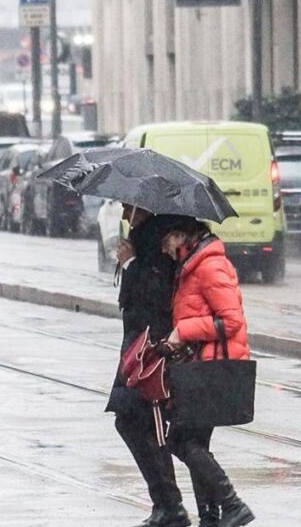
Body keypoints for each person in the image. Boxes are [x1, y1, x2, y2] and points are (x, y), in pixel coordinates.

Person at [160, 216, 255, 527]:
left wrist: (182, 331)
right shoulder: (190, 265)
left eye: (167, 240)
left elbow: (231, 321)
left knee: (181, 440)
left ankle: (232, 504)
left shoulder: (208, 265)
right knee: (195, 442)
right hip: (202, 364)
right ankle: (210, 516)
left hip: (213, 367)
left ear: (182, 235)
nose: (164, 248)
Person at [106, 204, 189, 527]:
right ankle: (166, 503)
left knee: (143, 425)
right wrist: (129, 264)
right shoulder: (145, 238)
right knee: (132, 423)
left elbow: (155, 297)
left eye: (129, 209)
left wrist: (131, 264)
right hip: (137, 348)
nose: (126, 215)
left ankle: (171, 505)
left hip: (150, 350)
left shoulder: (156, 242)